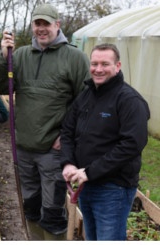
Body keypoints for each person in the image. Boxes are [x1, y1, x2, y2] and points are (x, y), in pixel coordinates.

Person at [0, 3, 90, 240]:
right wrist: (5, 58)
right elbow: (0, 87)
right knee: (30, 204)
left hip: (52, 150)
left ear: (58, 25)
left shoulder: (74, 58)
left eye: (47, 24)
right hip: (23, 146)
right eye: (38, 24)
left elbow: (85, 105)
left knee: (52, 208)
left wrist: (66, 137)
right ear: (32, 25)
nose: (42, 29)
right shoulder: (21, 54)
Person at [61, 43, 150, 241]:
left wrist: (90, 171)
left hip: (113, 189)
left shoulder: (129, 100)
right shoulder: (86, 95)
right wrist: (68, 162)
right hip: (85, 183)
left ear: (117, 66)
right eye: (94, 63)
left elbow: (131, 145)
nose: (98, 69)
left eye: (105, 64)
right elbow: (67, 130)